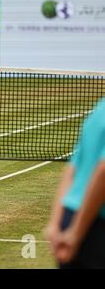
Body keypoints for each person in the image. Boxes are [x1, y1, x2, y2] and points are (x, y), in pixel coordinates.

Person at [46, 98, 105, 268]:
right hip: (94, 223)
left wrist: (55, 224)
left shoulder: (99, 109)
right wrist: (76, 233)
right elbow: (102, 173)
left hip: (68, 216)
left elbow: (72, 169)